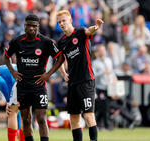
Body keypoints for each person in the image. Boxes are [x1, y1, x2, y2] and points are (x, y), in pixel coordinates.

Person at [4, 14, 64, 141]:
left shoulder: (46, 42)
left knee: (41, 119)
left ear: (38, 27)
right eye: (28, 25)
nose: (31, 28)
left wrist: (48, 74)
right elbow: (6, 56)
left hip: (39, 86)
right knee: (26, 120)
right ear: (24, 26)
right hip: (23, 86)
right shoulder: (17, 41)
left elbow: (60, 57)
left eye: (34, 26)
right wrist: (13, 71)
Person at [57, 10, 103, 141]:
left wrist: (97, 27)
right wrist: (63, 73)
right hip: (72, 83)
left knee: (88, 116)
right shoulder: (61, 42)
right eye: (59, 22)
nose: (61, 23)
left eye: (63, 20)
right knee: (74, 117)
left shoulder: (80, 32)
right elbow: (59, 60)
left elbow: (89, 31)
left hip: (86, 80)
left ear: (70, 20)